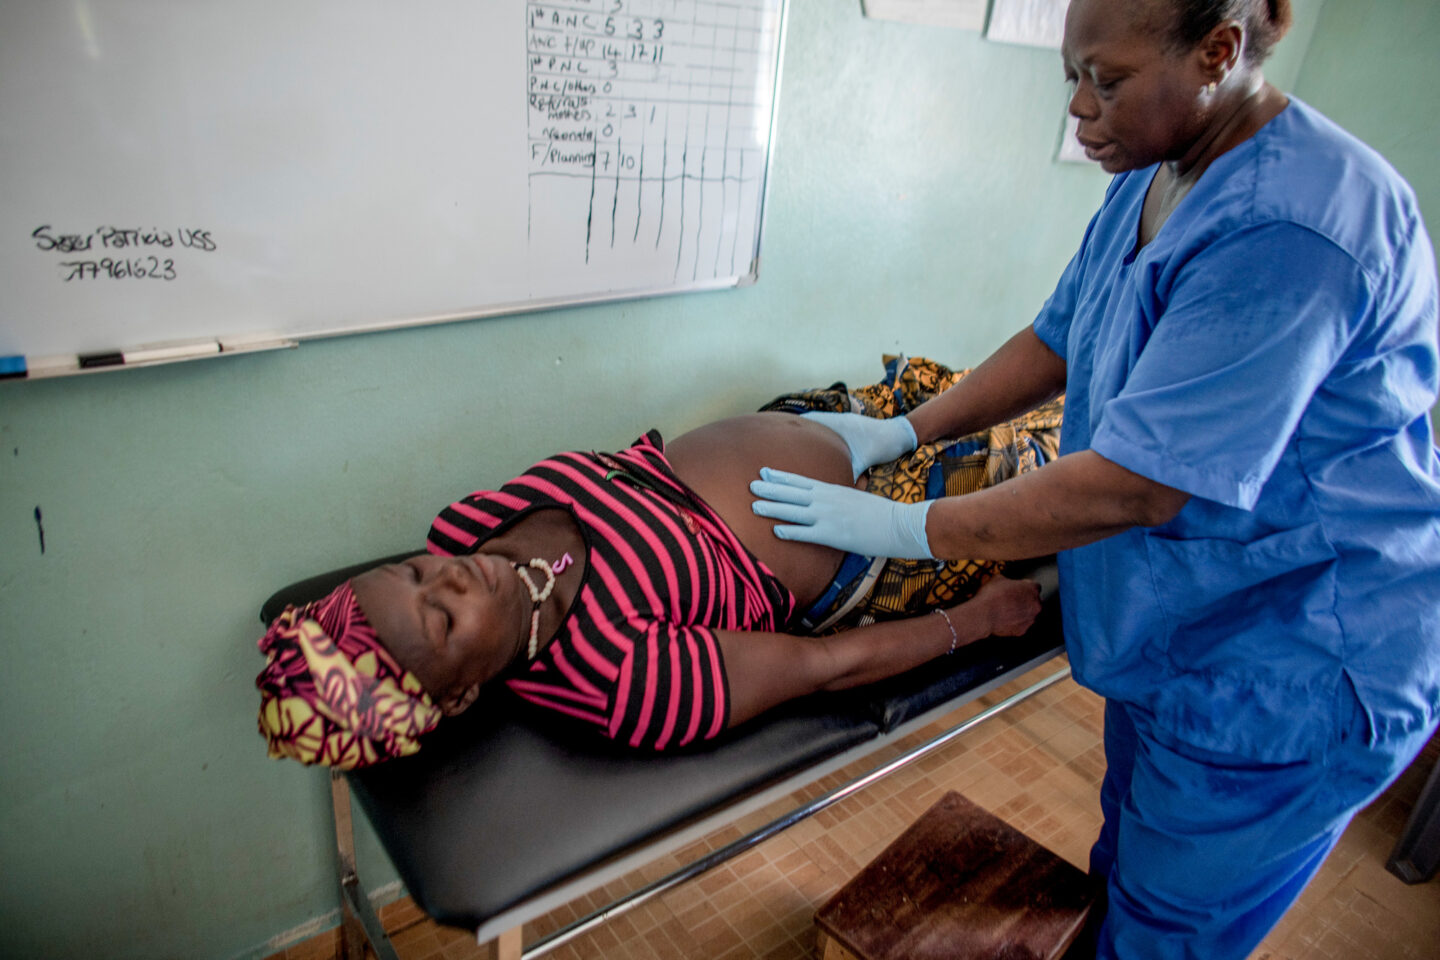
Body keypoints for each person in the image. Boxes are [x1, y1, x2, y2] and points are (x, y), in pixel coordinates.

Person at [751, 1, 1440, 957]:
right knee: (1126, 863)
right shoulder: (1161, 166)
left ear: (1218, 52)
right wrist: (904, 427)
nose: (1079, 109)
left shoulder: (1299, 228)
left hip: (1298, 661)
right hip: (1186, 631)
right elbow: (1058, 336)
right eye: (1071, 76)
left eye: (1105, 80)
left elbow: (1137, 487)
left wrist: (914, 526)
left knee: (1167, 932)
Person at [255, 357, 1055, 770]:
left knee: (1013, 381)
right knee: (1074, 441)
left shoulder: (466, 524)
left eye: (417, 573)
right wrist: (973, 621)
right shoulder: (622, 682)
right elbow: (824, 666)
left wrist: (865, 429)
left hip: (840, 421)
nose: (452, 575)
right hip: (885, 544)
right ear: (461, 694)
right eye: (441, 616)